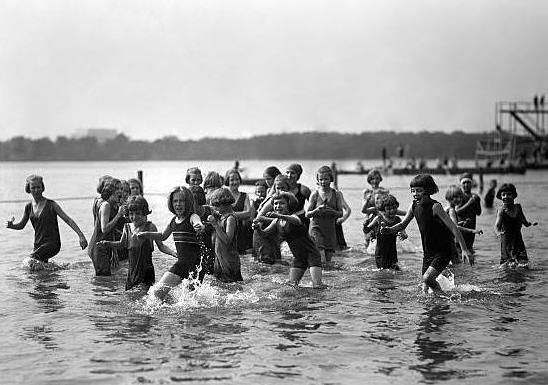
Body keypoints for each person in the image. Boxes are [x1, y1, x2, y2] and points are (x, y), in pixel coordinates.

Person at [381, 174, 473, 295]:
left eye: (419, 191)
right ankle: (438, 304)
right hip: (428, 252)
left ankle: (444, 298)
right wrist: (388, 230)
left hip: (443, 251)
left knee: (427, 279)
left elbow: (454, 228)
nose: (415, 194)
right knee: (424, 288)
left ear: (428, 190)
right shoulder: (413, 205)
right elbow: (403, 224)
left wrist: (464, 249)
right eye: (413, 191)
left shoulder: (436, 207)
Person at [137, 186, 205, 299]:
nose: (178, 204)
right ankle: (166, 309)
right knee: (157, 292)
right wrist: (146, 234)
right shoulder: (173, 220)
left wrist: (200, 226)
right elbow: (162, 236)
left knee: (190, 302)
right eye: (175, 201)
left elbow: (198, 223)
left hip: (196, 266)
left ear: (188, 202)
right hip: (181, 264)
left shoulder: (193, 216)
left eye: (181, 201)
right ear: (171, 203)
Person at [7, 175, 88, 267]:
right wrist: (12, 226)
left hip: (52, 243)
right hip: (38, 244)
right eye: (33, 188)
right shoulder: (28, 207)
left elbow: (68, 220)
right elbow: (21, 225)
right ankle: (61, 269)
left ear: (42, 188)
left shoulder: (52, 205)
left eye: (38, 187)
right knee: (39, 271)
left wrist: (81, 236)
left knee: (28, 262)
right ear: (29, 189)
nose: (36, 190)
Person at [98, 196, 177, 290]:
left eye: (138, 213)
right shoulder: (127, 227)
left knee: (143, 295)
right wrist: (108, 243)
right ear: (127, 214)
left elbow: (161, 245)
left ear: (144, 213)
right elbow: (121, 244)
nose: (134, 217)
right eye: (131, 214)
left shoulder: (150, 227)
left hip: (146, 271)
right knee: (130, 296)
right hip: (131, 272)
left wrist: (173, 253)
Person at [253, 192, 325, 288]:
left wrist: (279, 216)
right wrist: (257, 228)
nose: (278, 206)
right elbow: (265, 233)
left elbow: (296, 221)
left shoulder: (294, 217)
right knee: (291, 286)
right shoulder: (276, 222)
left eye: (282, 203)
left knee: (317, 286)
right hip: (299, 257)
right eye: (275, 203)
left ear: (289, 204)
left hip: (311, 254)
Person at [306, 166, 343, 264]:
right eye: (321, 179)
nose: (323, 182)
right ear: (317, 180)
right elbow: (307, 214)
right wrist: (316, 210)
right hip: (316, 229)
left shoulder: (337, 194)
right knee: (321, 261)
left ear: (331, 179)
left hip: (330, 231)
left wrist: (331, 211)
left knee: (328, 263)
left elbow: (340, 213)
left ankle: (327, 279)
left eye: (326, 179)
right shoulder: (315, 194)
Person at [88, 180, 126, 276]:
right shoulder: (106, 205)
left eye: (122, 189)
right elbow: (104, 228)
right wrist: (118, 215)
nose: (121, 191)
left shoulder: (114, 205)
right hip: (99, 247)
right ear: (111, 191)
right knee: (103, 279)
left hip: (107, 245)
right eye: (118, 189)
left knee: (107, 282)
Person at [494, 183, 537, 268]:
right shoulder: (501, 211)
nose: (506, 196)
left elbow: (524, 222)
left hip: (518, 240)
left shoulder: (518, 207)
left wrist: (530, 224)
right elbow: (497, 226)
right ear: (500, 197)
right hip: (507, 242)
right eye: (503, 195)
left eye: (509, 194)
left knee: (524, 265)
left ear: (514, 195)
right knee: (508, 267)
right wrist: (498, 233)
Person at [252, 175, 291, 264]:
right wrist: (276, 220)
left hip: (274, 233)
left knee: (276, 259)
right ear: (275, 188)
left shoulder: (289, 199)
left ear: (288, 188)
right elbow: (259, 217)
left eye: (283, 188)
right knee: (265, 261)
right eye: (278, 188)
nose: (281, 190)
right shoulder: (273, 200)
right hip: (262, 231)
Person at [207, 188, 243, 282]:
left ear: (225, 203)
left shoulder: (230, 218)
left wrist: (215, 224)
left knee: (232, 284)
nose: (215, 208)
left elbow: (227, 240)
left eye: (216, 206)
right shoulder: (222, 217)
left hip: (229, 260)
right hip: (220, 258)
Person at [364, 194, 407, 270]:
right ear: (383, 210)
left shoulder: (398, 220)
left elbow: (403, 232)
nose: (392, 210)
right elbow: (367, 230)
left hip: (392, 252)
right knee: (383, 271)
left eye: (394, 208)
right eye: (389, 209)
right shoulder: (378, 219)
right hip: (381, 253)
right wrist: (365, 224)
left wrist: (403, 235)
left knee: (394, 270)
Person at [445, 185, 483, 264]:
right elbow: (455, 227)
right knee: (457, 262)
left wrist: (460, 223)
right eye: (455, 197)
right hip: (449, 241)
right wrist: (472, 231)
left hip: (445, 240)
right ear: (450, 198)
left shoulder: (446, 208)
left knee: (452, 264)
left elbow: (449, 224)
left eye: (459, 197)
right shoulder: (451, 210)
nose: (458, 199)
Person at [189, 185, 215, 278]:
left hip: (210, 247)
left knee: (210, 274)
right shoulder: (188, 214)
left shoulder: (210, 210)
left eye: (194, 203)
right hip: (194, 248)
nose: (192, 206)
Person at [225, 169, 253, 254]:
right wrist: (239, 215)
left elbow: (248, 213)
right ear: (227, 181)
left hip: (241, 231)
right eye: (232, 180)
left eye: (237, 179)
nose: (235, 182)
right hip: (227, 229)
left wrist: (230, 215)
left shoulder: (245, 195)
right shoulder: (224, 195)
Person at [361, 169, 390, 249]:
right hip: (369, 217)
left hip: (380, 217)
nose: (375, 181)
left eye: (377, 178)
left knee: (381, 238)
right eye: (373, 178)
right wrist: (368, 199)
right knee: (368, 239)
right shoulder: (366, 191)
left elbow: (388, 202)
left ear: (380, 179)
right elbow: (363, 208)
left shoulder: (383, 190)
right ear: (369, 180)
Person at [456, 173, 482, 252]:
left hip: (471, 227)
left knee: (469, 248)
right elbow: (456, 212)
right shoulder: (459, 196)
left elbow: (479, 212)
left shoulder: (475, 197)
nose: (466, 185)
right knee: (459, 249)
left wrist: (476, 202)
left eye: (468, 182)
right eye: (464, 183)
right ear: (461, 184)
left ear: (472, 184)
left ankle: (467, 264)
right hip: (461, 227)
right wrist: (469, 203)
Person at [285, 163, 312, 228]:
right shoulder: (282, 188)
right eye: (287, 172)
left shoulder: (304, 190)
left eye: (292, 173)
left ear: (298, 175)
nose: (289, 175)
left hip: (301, 221)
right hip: (284, 220)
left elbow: (313, 206)